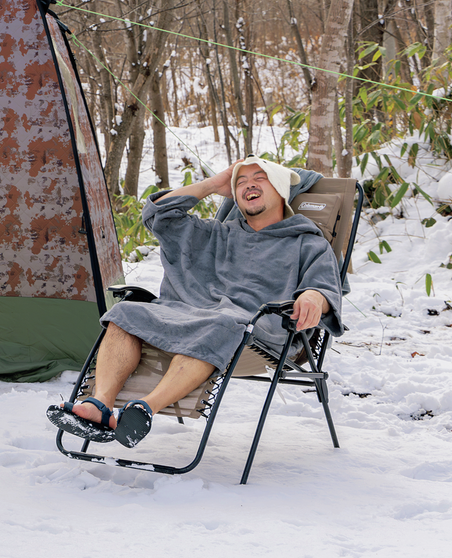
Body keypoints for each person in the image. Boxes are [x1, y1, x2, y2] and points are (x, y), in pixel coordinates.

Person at [48, 157, 344, 448]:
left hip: (257, 332)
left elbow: (325, 288)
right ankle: (99, 404)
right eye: (240, 182)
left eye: (259, 179)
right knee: (125, 312)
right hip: (188, 315)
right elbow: (159, 214)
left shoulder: (307, 241)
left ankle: (141, 411)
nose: (248, 186)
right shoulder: (216, 233)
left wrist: (313, 297)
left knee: (222, 323)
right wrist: (214, 184)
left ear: (280, 189)